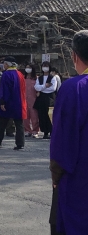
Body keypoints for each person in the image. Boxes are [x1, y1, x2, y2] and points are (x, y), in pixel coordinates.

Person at [49, 30, 88, 235]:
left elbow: (63, 141)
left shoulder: (73, 88)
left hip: (79, 178)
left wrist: (56, 175)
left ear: (74, 55)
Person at [0, 57, 27, 150]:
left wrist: (2, 102)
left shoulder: (6, 74)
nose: (3, 65)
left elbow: (5, 90)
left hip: (9, 102)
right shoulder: (20, 74)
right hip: (19, 102)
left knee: (2, 121)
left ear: (8, 64)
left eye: (4, 63)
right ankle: (20, 143)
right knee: (19, 123)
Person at [34, 61, 58, 140]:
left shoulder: (53, 77)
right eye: (43, 66)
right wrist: (45, 86)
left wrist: (42, 88)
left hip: (50, 97)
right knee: (42, 115)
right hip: (41, 97)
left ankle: (51, 131)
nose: (45, 67)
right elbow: (36, 87)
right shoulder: (39, 78)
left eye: (46, 66)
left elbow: (52, 88)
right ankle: (45, 132)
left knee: (50, 115)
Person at [23, 63, 40, 138]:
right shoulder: (23, 78)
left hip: (34, 99)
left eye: (29, 67)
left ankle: (35, 131)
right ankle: (27, 130)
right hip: (24, 99)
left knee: (34, 116)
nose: (28, 69)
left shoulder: (36, 78)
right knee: (25, 116)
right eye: (26, 67)